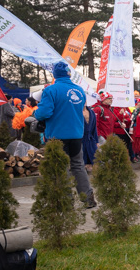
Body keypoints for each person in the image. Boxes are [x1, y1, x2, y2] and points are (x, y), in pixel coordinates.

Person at [33, 61, 96, 207]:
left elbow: (44, 112)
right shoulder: (79, 90)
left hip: (57, 136)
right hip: (76, 135)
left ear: (55, 75)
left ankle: (65, 201)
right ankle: (88, 199)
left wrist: (35, 113)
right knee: (78, 166)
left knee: (59, 167)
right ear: (69, 74)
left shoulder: (51, 90)